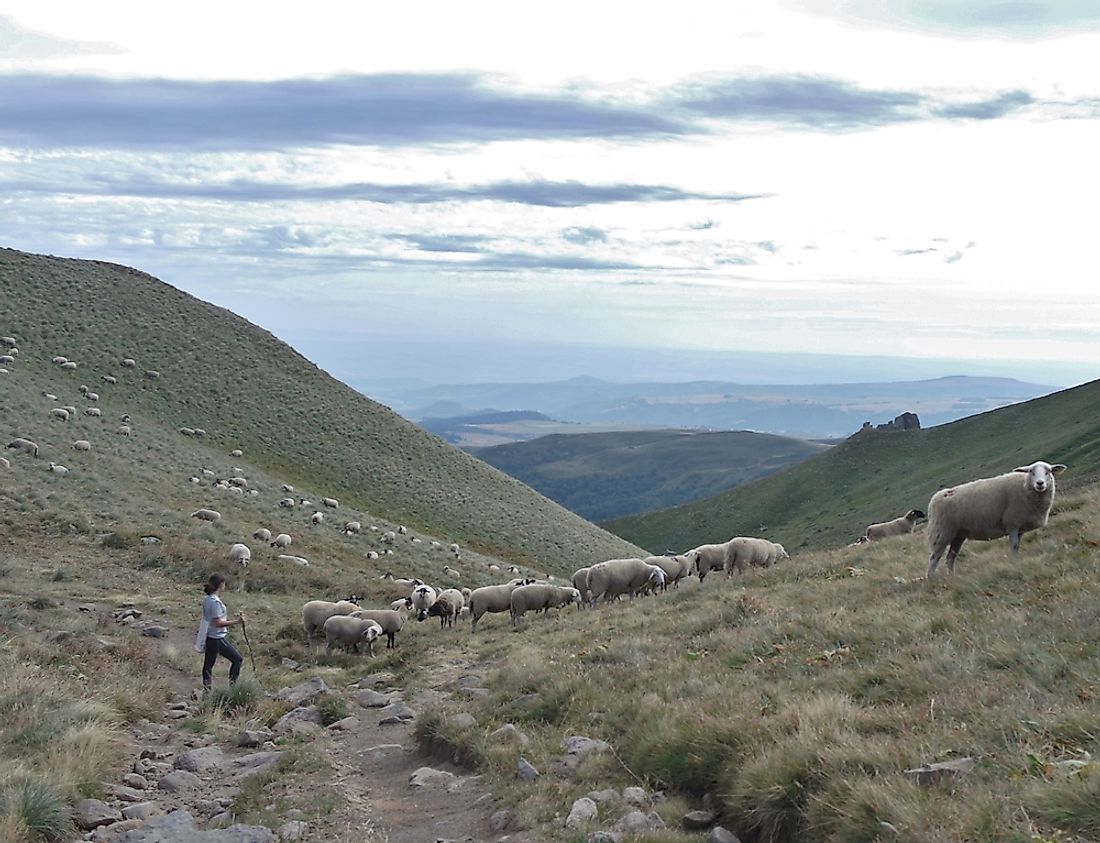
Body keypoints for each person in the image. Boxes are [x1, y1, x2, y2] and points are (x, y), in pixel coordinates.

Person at [198, 572, 246, 692]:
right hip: (217, 637)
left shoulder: (207, 599)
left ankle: (207, 689)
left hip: (209, 635)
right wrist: (237, 621)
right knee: (237, 659)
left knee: (208, 664)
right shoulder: (215, 602)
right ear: (220, 585)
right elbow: (218, 623)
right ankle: (233, 687)